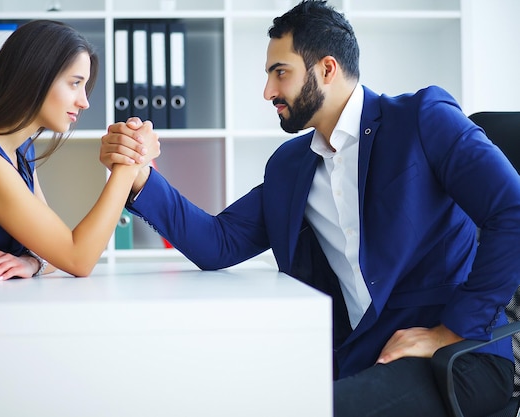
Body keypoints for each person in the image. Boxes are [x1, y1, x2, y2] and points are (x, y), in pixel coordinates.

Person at [99, 1, 520, 416]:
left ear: (327, 69)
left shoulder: (423, 119)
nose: (268, 92)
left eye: (280, 73)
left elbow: (512, 210)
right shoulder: (291, 166)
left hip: (458, 358)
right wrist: (140, 177)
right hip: (362, 358)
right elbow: (219, 242)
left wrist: (451, 330)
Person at [0, 20, 159, 394]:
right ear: (35, 76)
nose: (84, 101)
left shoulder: (17, 152)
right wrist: (127, 165)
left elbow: (54, 249)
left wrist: (31, 261)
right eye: (75, 83)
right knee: (47, 370)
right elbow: (78, 258)